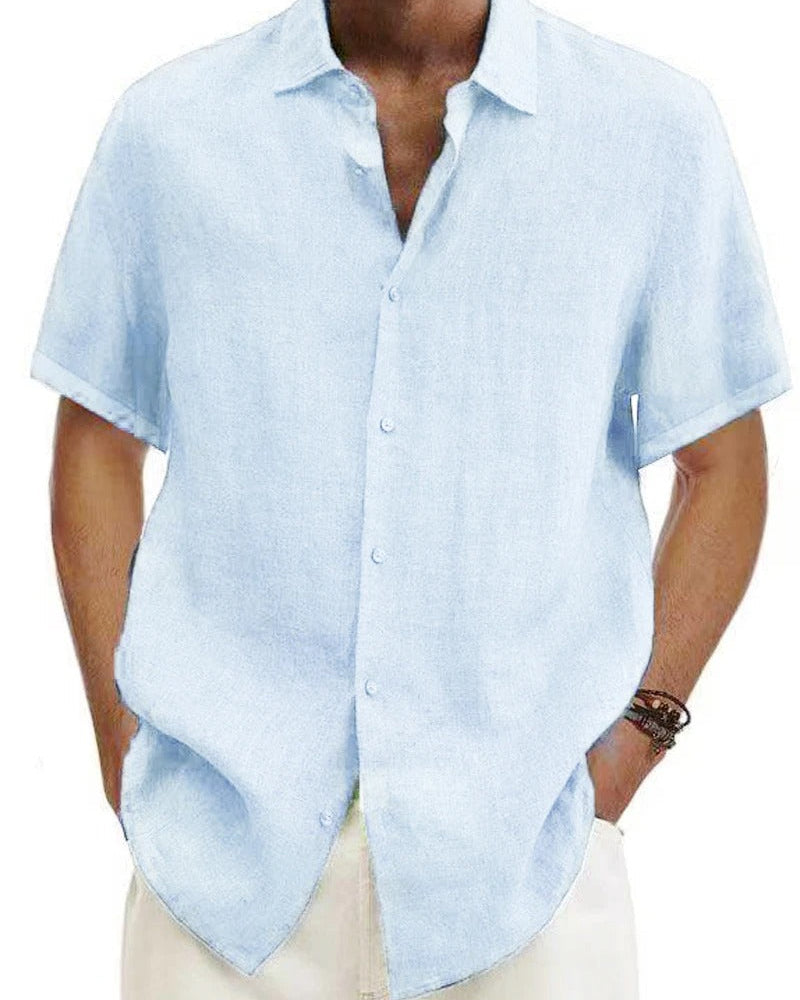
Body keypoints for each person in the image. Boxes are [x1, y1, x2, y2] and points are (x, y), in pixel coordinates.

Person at [30, 1, 792, 998]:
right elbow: (98, 439)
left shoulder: (651, 129)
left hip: (529, 875)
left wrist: (632, 742)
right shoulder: (170, 129)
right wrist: (122, 745)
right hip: (218, 876)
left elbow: (722, 463)